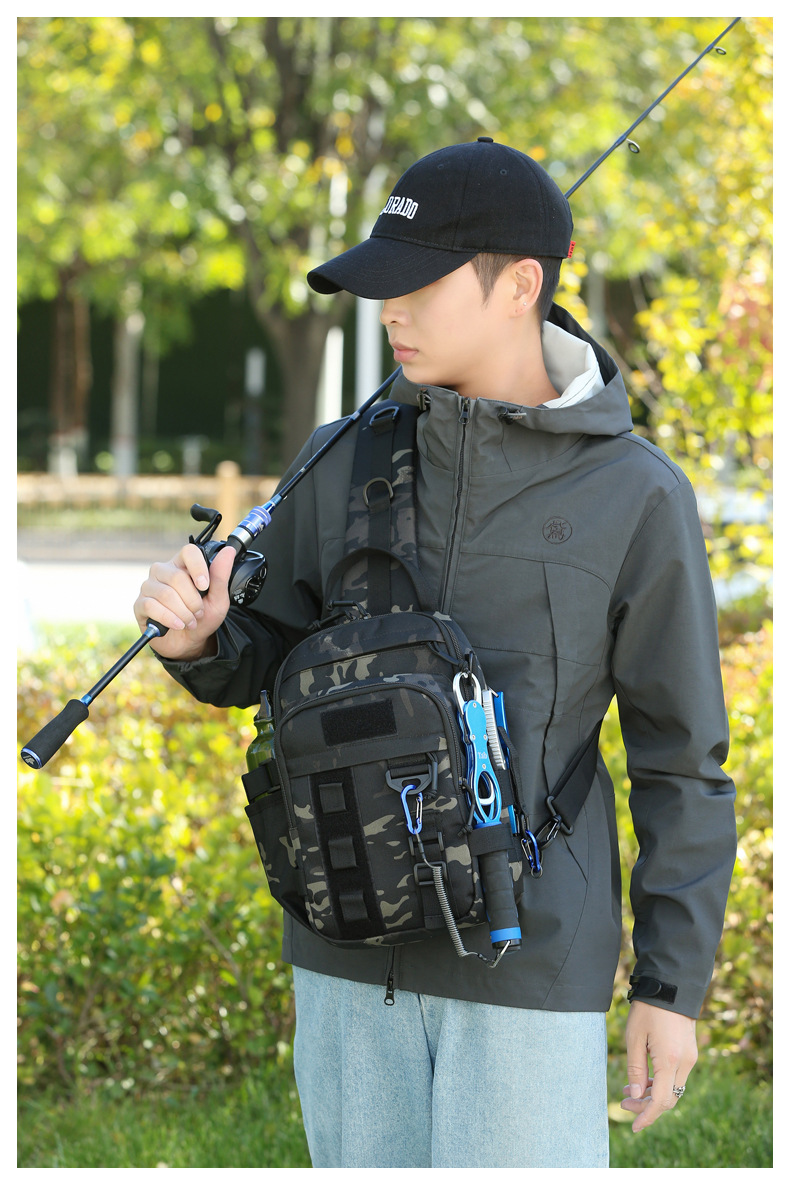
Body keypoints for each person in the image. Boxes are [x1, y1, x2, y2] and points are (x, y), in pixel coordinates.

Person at [133, 138, 737, 1169]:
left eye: (418, 284)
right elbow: (263, 661)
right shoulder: (340, 454)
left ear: (522, 286)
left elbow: (681, 761)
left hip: (528, 970)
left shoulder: (636, 493)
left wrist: (669, 989)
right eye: (383, 286)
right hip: (341, 956)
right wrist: (199, 639)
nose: (390, 311)